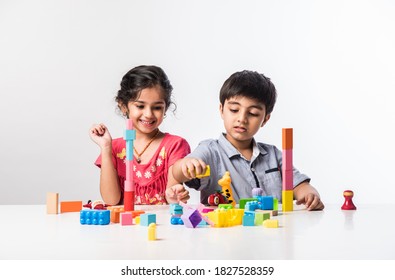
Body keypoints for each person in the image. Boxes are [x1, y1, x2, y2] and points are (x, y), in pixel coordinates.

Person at [172, 70, 324, 210]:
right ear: (221, 110)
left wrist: (310, 194)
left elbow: (298, 185)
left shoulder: (273, 155)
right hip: (228, 233)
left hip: (272, 233)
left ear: (265, 119)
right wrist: (186, 165)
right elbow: (177, 172)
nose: (242, 119)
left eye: (252, 113)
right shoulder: (210, 150)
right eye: (234, 110)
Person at [90, 65, 190, 206]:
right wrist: (106, 147)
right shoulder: (114, 147)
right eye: (140, 106)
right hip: (125, 227)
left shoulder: (174, 145)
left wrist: (176, 196)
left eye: (157, 107)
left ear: (165, 108)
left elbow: (172, 198)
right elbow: (111, 200)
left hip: (160, 226)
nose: (148, 114)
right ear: (123, 106)